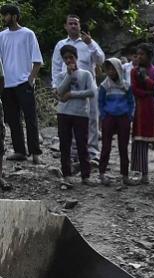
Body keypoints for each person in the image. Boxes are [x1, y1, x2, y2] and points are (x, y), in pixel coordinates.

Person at [52, 15, 104, 163]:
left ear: (80, 26)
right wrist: (55, 86)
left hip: (88, 85)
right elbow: (55, 66)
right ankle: (74, 152)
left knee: (92, 118)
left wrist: (91, 44)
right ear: (66, 26)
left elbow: (101, 60)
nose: (73, 26)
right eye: (71, 24)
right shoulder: (60, 44)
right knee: (71, 118)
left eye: (76, 24)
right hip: (67, 84)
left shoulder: (89, 42)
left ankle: (93, 152)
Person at [0, 4, 42, 163]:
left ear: (15, 16)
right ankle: (20, 152)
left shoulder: (28, 34)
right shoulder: (1, 36)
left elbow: (37, 61)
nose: (4, 18)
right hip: (7, 84)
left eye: (7, 15)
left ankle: (35, 153)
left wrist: (31, 79)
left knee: (30, 118)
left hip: (24, 83)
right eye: (3, 15)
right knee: (13, 120)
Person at [55, 45, 95, 185]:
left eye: (71, 57)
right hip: (63, 113)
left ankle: (86, 176)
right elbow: (59, 92)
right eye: (65, 58)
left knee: (82, 144)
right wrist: (69, 76)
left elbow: (92, 92)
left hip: (80, 114)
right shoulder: (61, 76)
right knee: (64, 145)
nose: (68, 60)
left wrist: (72, 94)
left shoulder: (86, 74)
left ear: (76, 57)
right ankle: (66, 175)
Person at [98, 58, 133, 185]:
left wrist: (129, 115)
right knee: (106, 146)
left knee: (123, 147)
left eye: (113, 68)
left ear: (118, 69)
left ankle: (125, 175)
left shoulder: (126, 85)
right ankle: (102, 173)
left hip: (123, 117)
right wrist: (103, 116)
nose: (111, 71)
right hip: (109, 117)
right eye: (108, 69)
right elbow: (100, 102)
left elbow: (131, 101)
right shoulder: (104, 85)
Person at [130, 44, 154, 183]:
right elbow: (135, 90)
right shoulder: (134, 71)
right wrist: (149, 92)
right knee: (141, 141)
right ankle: (144, 175)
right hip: (141, 109)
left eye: (142, 54)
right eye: (137, 54)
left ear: (149, 56)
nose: (139, 57)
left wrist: (146, 79)